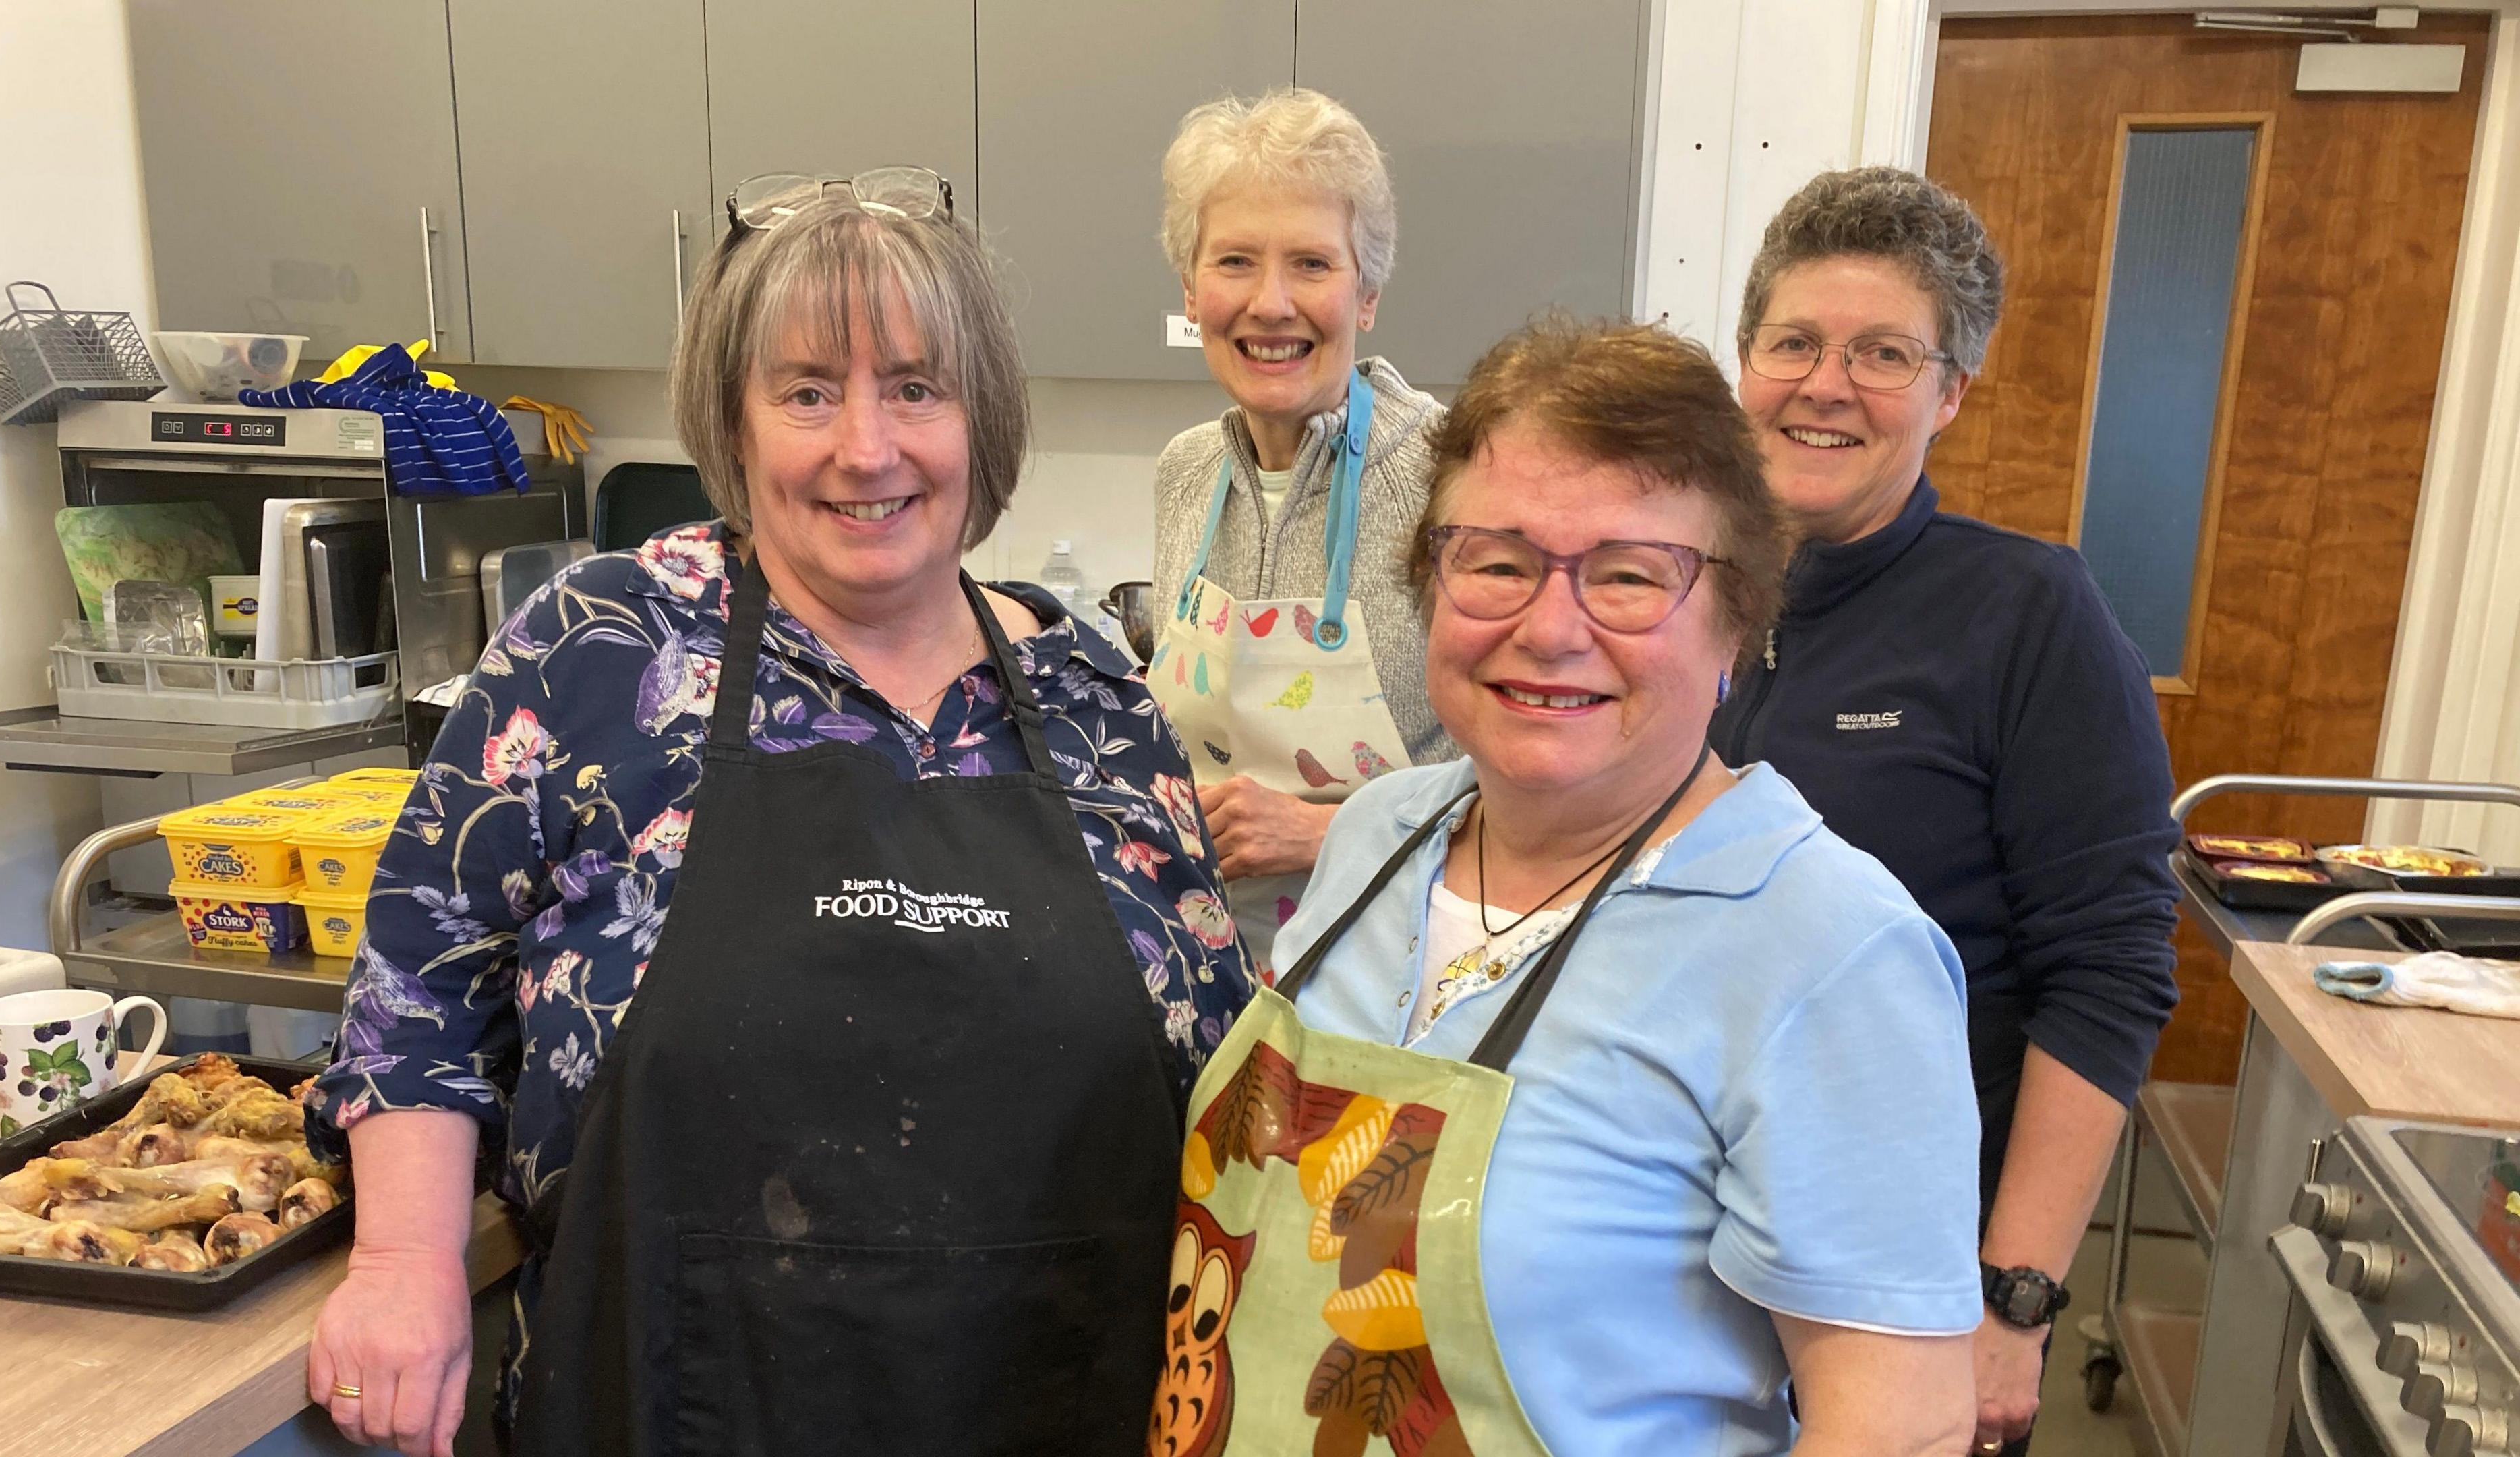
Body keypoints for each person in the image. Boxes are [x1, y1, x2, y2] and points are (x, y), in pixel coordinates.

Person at [301, 169, 1255, 1457]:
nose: (868, 447)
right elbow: (417, 986)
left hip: (1061, 1405)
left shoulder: (1094, 697)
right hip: (670, 1401)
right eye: (808, 391)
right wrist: (403, 1262)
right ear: (734, 425)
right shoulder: (597, 651)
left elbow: (1219, 1071)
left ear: (986, 420)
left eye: (917, 387)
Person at [1152, 317, 1982, 1457]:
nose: (1550, 629)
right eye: (1496, 562)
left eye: (1632, 576)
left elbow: (1903, 1432)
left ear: (1738, 618)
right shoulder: (1377, 835)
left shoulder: (1828, 951)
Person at [1712, 165, 2182, 1457]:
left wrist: (2013, 1301)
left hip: (1906, 1276)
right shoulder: (1677, 598)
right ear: (1745, 360)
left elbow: (2111, 973)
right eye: (1795, 342)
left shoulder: (2029, 615)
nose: (1826, 384)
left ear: (1949, 392)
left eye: (1884, 354)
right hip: (1691, 1252)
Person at [1149, 88, 1452, 974]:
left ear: (1368, 295)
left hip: (1391, 968)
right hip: (1205, 967)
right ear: (1192, 292)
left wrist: (1326, 830)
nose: (1271, 303)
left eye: (1313, 265)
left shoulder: (1453, 474)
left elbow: (1536, 773)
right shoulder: (1184, 472)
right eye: (1235, 261)